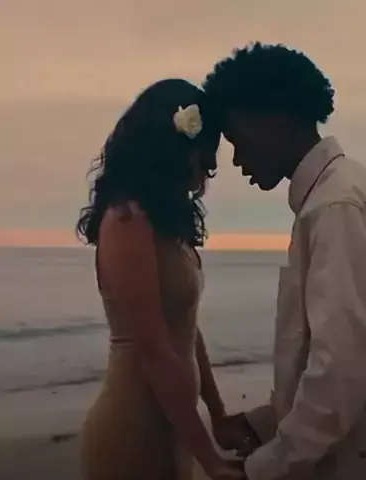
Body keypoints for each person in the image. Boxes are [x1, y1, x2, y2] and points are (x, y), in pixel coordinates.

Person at [204, 43, 366, 480]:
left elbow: (341, 371)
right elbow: (340, 359)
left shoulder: (338, 207)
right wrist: (262, 424)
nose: (236, 160)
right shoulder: (336, 197)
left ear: (276, 120)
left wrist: (264, 467)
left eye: (238, 141)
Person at [77, 79, 244, 480]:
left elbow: (186, 330)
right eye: (203, 160)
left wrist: (217, 414)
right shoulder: (126, 220)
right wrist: (210, 459)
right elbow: (153, 349)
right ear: (172, 150)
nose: (206, 175)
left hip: (176, 424)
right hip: (132, 427)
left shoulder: (166, 226)